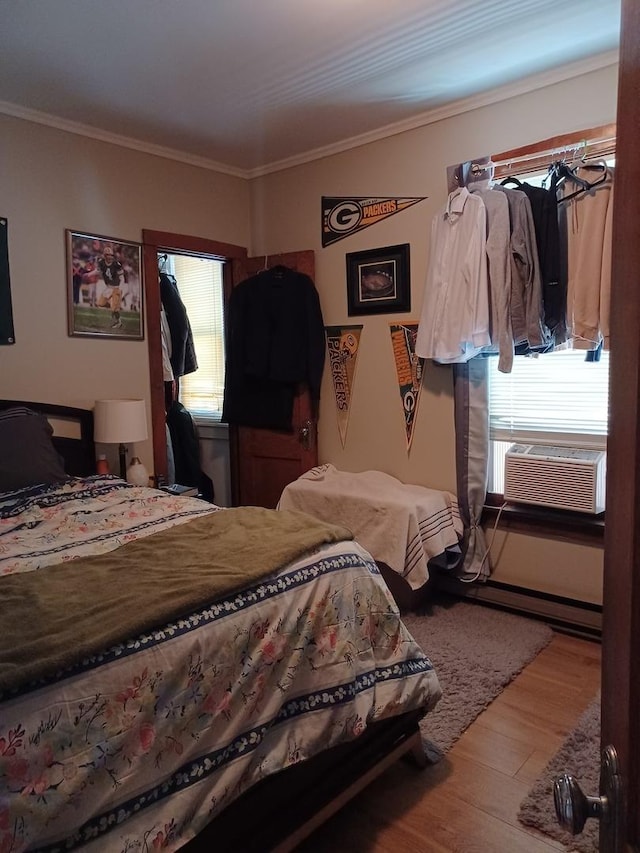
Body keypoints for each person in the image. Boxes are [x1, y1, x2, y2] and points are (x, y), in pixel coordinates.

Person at [96, 244, 126, 328]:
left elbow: (122, 277)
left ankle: (118, 322)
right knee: (100, 303)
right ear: (104, 255)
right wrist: (89, 274)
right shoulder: (101, 262)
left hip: (116, 287)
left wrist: (120, 287)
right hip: (109, 287)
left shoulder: (116, 264)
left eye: (111, 255)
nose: (110, 257)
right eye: (108, 255)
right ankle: (113, 305)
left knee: (114, 309)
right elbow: (97, 271)